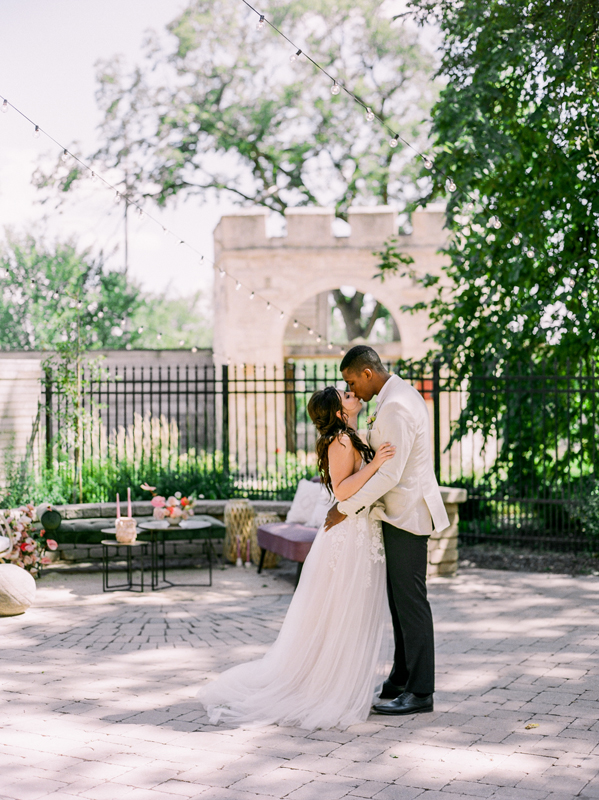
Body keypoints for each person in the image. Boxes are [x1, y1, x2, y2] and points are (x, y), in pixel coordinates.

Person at [196, 386, 395, 730]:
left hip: (358, 532)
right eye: (345, 395)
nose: (352, 394)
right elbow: (343, 489)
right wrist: (376, 463)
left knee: (348, 609)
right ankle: (328, 686)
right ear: (337, 411)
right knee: (341, 609)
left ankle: (341, 680)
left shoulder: (350, 436)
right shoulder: (341, 441)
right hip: (347, 538)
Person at [325, 345, 450, 716]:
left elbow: (392, 473)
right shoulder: (396, 395)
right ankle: (400, 677)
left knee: (410, 603)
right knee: (399, 604)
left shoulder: (395, 405)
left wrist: (346, 508)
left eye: (351, 381)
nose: (350, 389)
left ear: (366, 373)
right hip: (398, 512)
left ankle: (421, 691)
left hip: (407, 514)